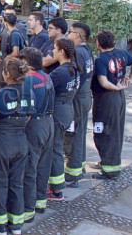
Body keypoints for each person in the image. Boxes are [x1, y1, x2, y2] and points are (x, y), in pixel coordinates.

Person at [0, 58, 33, 235]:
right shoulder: (28, 93)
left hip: (1, 143)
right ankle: (16, 224)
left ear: (5, 74)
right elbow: (28, 116)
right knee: (16, 183)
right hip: (21, 141)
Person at [92, 30, 132, 180]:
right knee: (115, 130)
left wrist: (117, 87)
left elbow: (104, 82)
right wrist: (130, 79)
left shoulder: (101, 60)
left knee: (104, 132)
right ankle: (107, 161)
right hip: (119, 98)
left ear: (98, 43)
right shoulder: (121, 53)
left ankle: (110, 169)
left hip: (107, 99)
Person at [19, 48, 54, 222]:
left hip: (34, 125)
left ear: (27, 63)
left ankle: (27, 208)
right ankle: (41, 201)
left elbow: (26, 109)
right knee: (43, 165)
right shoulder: (46, 76)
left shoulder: (29, 79)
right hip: (49, 123)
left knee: (29, 168)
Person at [47, 38, 80, 201]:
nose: (52, 51)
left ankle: (56, 189)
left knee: (55, 149)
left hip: (58, 112)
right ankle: (55, 185)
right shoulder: (74, 68)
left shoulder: (59, 73)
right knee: (57, 148)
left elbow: (47, 91)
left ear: (61, 51)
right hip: (67, 109)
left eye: (54, 48)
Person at [64, 22, 94, 186]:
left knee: (72, 134)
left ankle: (73, 172)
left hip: (77, 98)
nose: (68, 34)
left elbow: (75, 78)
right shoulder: (88, 50)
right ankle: (79, 166)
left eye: (70, 32)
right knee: (80, 132)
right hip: (84, 97)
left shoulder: (77, 52)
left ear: (76, 35)